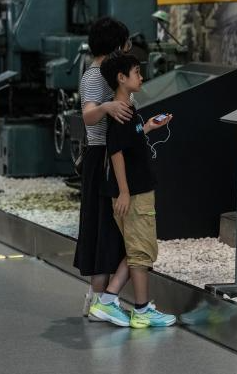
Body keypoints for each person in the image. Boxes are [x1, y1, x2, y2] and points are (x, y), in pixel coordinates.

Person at [92, 52, 175, 328]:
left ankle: (107, 300)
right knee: (141, 253)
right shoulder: (121, 112)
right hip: (135, 193)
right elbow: (115, 151)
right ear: (121, 77)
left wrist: (148, 127)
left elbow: (127, 142)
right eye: (137, 72)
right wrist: (125, 191)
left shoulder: (128, 110)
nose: (141, 77)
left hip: (138, 190)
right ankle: (141, 309)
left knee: (137, 249)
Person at [73, 17, 133, 322]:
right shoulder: (96, 75)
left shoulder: (103, 72)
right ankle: (100, 300)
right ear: (116, 46)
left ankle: (96, 298)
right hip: (102, 158)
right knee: (104, 227)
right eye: (125, 43)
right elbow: (88, 116)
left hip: (106, 157)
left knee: (105, 227)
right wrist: (107, 107)